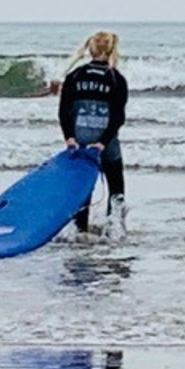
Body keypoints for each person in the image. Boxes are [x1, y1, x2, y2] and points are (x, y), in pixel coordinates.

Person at [58, 31, 128, 233]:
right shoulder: (116, 79)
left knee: (82, 189)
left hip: (79, 140)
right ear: (112, 50)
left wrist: (69, 137)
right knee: (116, 189)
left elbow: (64, 112)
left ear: (90, 49)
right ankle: (114, 229)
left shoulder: (74, 76)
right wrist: (103, 142)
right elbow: (118, 118)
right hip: (106, 142)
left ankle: (80, 231)